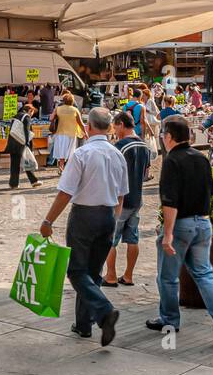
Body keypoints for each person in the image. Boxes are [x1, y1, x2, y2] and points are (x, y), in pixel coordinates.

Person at [38, 107, 127, 346]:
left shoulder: (82, 154)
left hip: (84, 216)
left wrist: (48, 221)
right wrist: (114, 220)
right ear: (109, 128)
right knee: (92, 274)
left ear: (88, 127)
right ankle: (83, 324)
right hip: (107, 216)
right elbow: (121, 196)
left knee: (77, 271)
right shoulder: (117, 155)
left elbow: (65, 192)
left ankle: (104, 311)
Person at [147, 114, 213, 343]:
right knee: (205, 273)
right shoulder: (201, 158)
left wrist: (167, 234)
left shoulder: (172, 161)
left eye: (163, 135)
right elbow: (210, 193)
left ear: (169, 137)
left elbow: (170, 201)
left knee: (168, 277)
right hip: (203, 222)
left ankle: (169, 320)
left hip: (181, 225)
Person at [103, 110, 149, 288]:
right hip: (137, 198)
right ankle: (128, 275)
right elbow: (145, 174)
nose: (114, 130)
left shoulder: (120, 146)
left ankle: (111, 275)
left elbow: (110, 173)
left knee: (110, 239)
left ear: (121, 124)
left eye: (115, 126)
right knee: (133, 238)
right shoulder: (144, 146)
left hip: (120, 200)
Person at [49, 92, 85, 174]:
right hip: (72, 134)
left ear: (64, 101)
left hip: (60, 133)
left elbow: (51, 118)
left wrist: (56, 115)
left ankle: (61, 167)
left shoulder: (58, 108)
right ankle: (68, 169)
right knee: (70, 153)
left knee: (62, 152)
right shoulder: (75, 110)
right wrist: (85, 133)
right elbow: (81, 123)